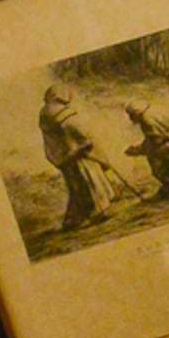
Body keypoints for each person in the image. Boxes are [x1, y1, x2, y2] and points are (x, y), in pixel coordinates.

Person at [36, 80, 145, 232]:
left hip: (65, 155)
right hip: (77, 152)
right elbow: (75, 129)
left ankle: (74, 219)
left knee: (77, 187)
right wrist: (86, 142)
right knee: (89, 182)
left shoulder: (44, 111)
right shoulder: (60, 111)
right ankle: (95, 213)